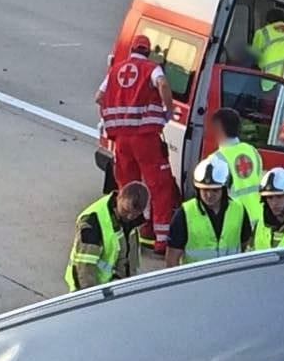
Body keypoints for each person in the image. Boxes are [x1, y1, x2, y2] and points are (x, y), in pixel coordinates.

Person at [98, 34, 176, 251]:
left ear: (132, 48)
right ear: (148, 51)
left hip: (121, 138)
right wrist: (167, 112)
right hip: (145, 136)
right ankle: (161, 239)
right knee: (159, 185)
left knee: (128, 187)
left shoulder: (116, 70)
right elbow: (162, 84)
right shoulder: (152, 68)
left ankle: (131, 230)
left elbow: (98, 96)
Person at [166, 155, 251, 267]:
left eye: (215, 190)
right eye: (205, 190)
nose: (209, 195)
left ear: (224, 189)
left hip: (229, 278)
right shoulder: (184, 213)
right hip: (197, 281)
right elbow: (172, 258)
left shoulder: (239, 210)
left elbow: (245, 245)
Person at [65, 181, 150, 290]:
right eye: (126, 211)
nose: (129, 217)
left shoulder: (131, 220)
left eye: (135, 214)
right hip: (94, 290)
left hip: (114, 287)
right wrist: (90, 298)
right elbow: (84, 269)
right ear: (119, 197)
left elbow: (127, 257)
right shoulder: (92, 222)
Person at [209, 108, 264, 223]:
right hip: (258, 217)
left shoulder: (217, 159)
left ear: (218, 129)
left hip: (235, 220)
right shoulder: (252, 151)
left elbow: (213, 198)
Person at [250, 8, 284, 88]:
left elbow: (253, 59)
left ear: (267, 22)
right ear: (283, 20)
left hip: (271, 80)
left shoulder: (262, 32)